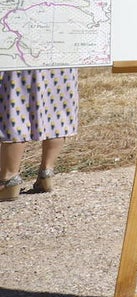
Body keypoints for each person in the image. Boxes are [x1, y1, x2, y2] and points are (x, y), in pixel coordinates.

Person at [1, 67, 80, 200]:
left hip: (23, 53)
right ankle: (47, 172)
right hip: (60, 52)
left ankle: (8, 179)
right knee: (56, 105)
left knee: (17, 103)